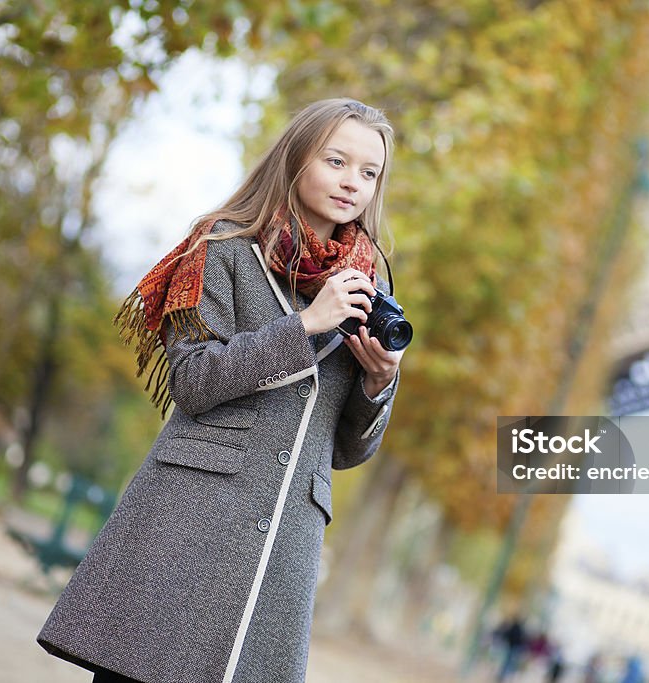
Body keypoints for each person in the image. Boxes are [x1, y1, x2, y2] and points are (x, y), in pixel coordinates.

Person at [37, 98, 406, 683]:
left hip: (284, 545)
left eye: (369, 173)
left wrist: (379, 383)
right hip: (191, 521)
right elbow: (193, 380)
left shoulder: (367, 287)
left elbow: (345, 451)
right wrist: (305, 326)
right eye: (337, 161)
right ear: (295, 158)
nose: (352, 183)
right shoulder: (221, 247)